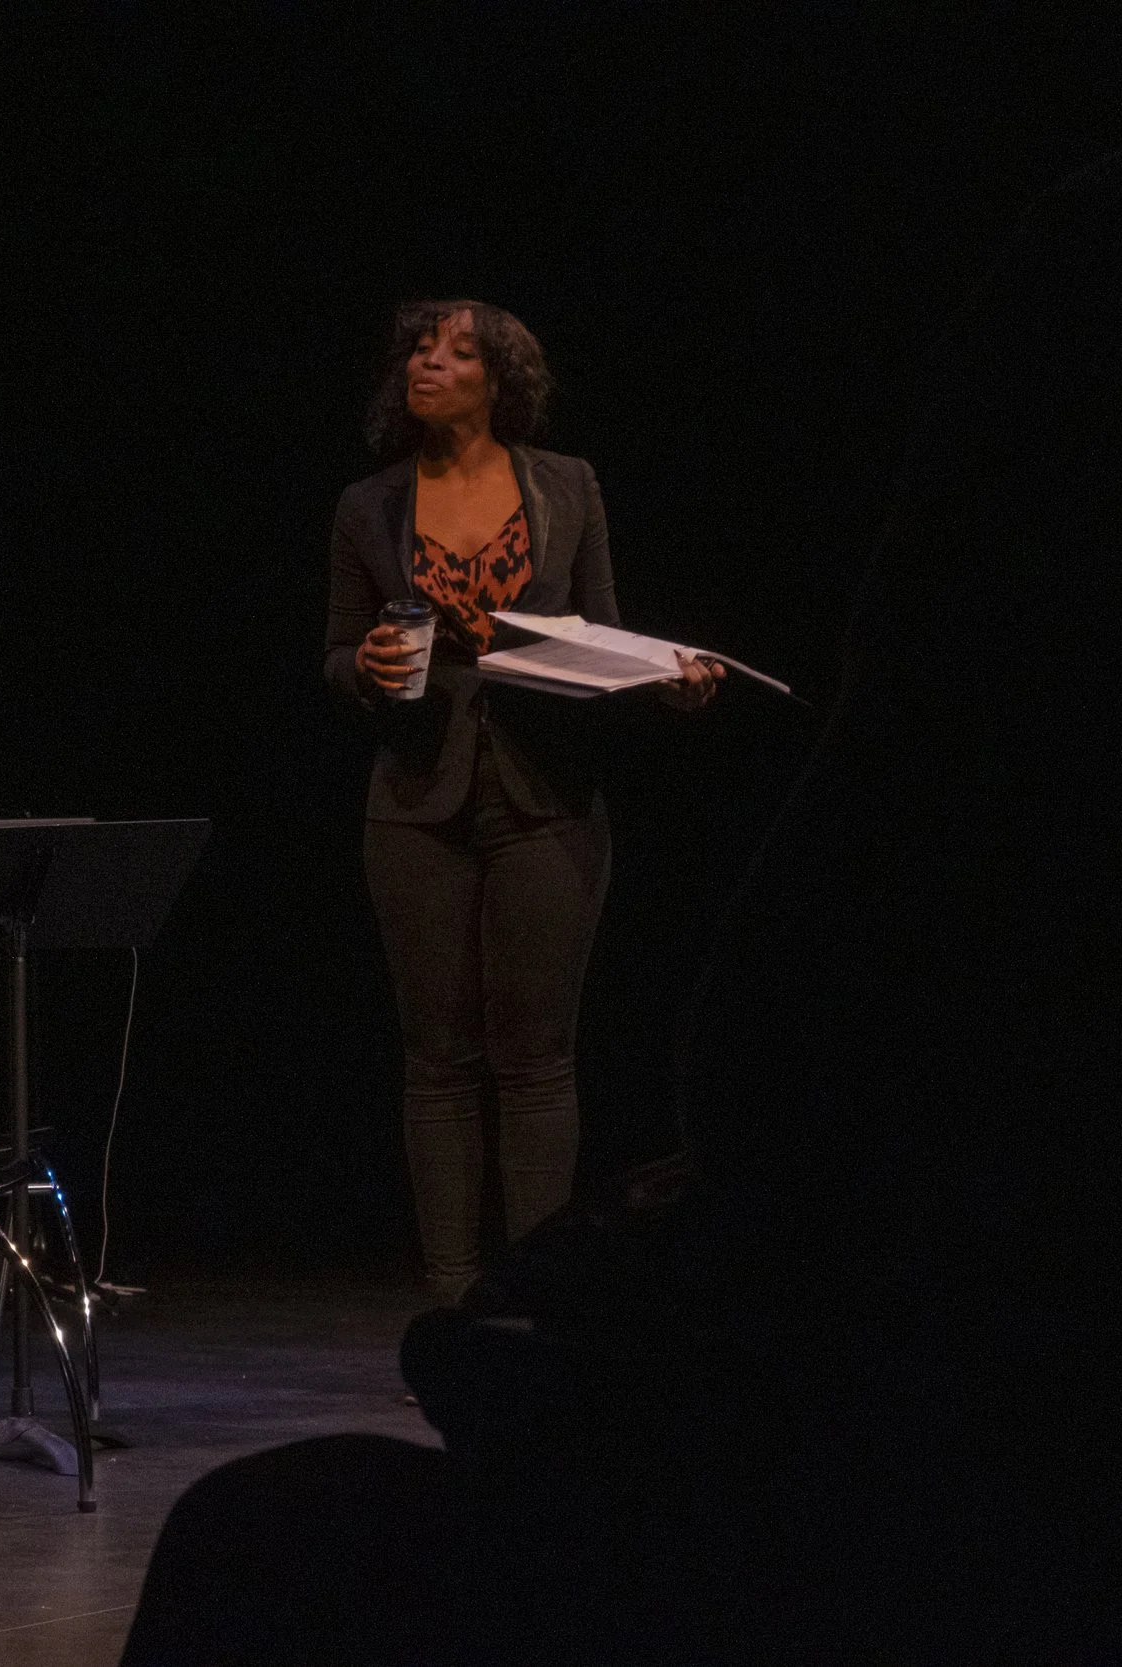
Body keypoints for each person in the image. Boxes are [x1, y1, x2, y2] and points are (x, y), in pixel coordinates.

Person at [325, 301, 721, 1302]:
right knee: (437, 1058)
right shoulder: (368, 504)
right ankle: (455, 1293)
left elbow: (602, 634)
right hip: (416, 797)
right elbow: (336, 648)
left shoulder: (566, 485)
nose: (428, 362)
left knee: (536, 1057)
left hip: (547, 795)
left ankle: (532, 1295)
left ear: (497, 379)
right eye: (419, 348)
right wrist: (363, 666)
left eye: (457, 352)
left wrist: (666, 681)